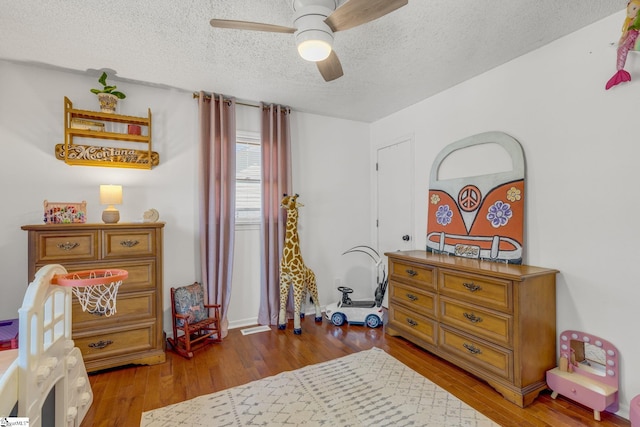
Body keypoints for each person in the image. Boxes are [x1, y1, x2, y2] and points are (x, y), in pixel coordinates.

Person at [605, 0, 640, 90]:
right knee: (622, 49)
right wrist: (620, 41)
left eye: (635, 8)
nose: (632, 12)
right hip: (631, 41)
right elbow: (625, 35)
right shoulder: (630, 23)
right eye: (629, 10)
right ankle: (620, 71)